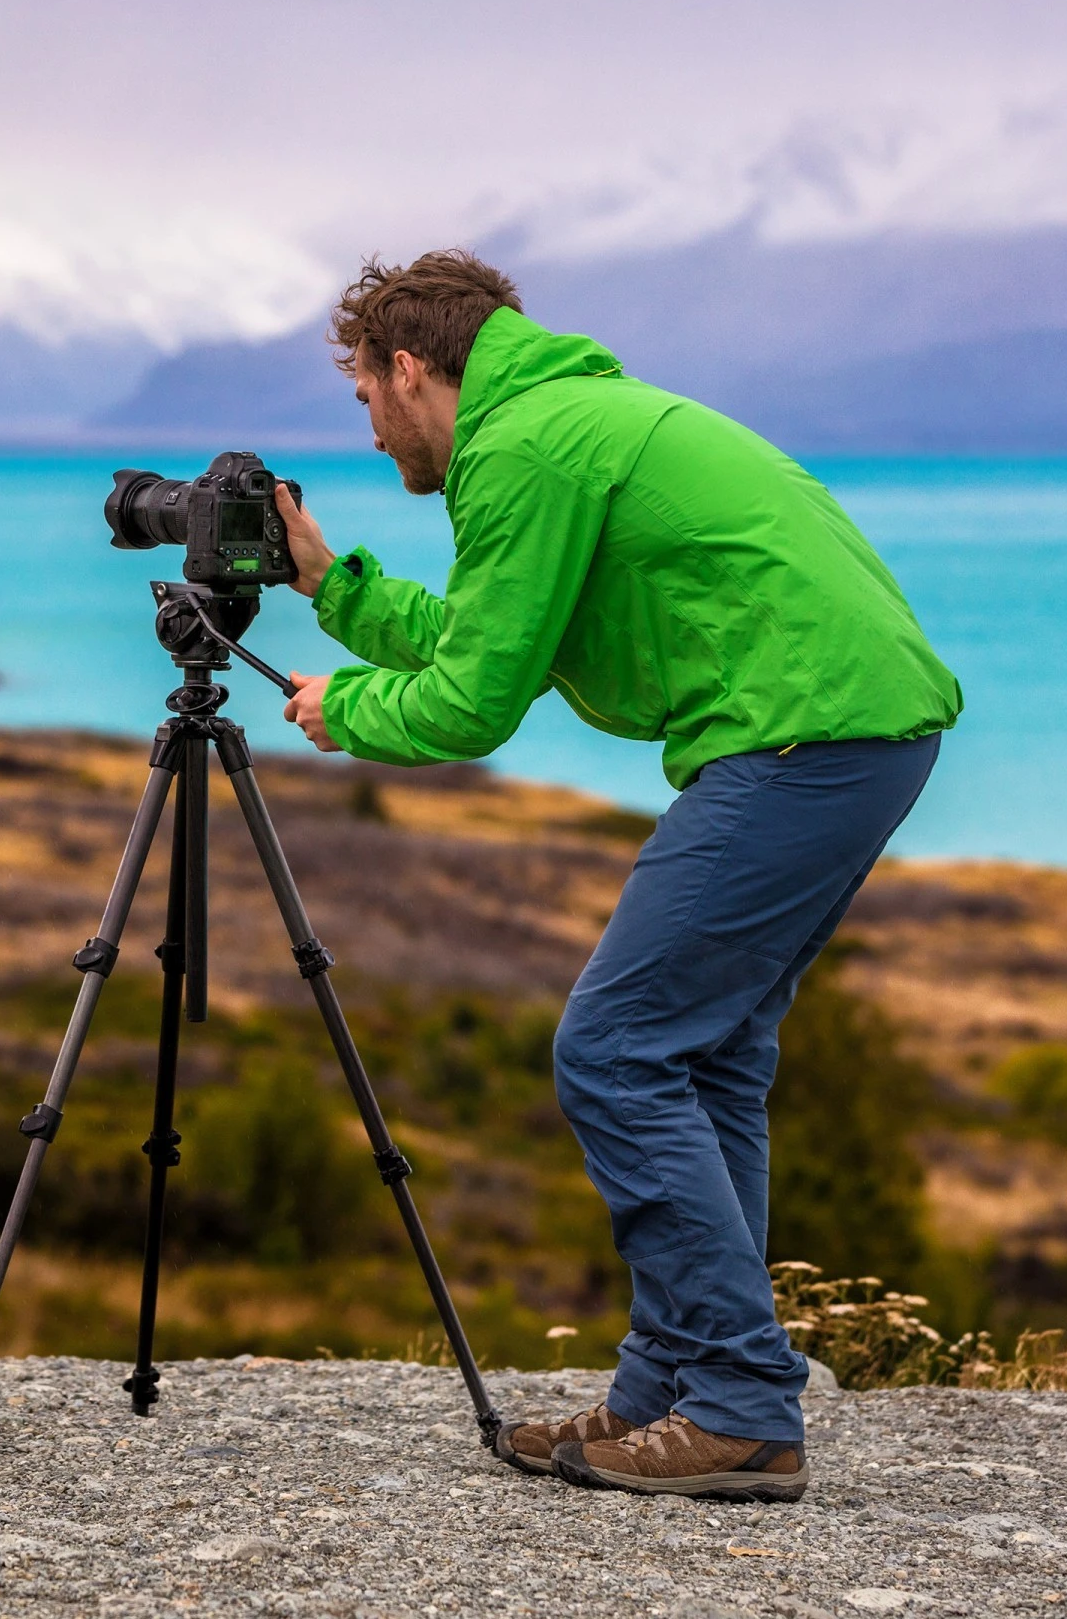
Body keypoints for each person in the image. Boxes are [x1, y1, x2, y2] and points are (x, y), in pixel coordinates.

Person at [275, 249, 960, 1502]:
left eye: (366, 398)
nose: (371, 435)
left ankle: (746, 1407)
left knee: (617, 1046)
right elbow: (500, 638)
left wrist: (351, 708)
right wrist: (336, 586)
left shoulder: (519, 448)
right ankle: (672, 1393)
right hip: (859, 729)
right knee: (704, 1058)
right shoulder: (565, 421)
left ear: (410, 368)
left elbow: (474, 702)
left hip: (800, 735)